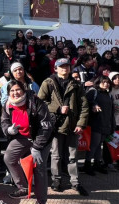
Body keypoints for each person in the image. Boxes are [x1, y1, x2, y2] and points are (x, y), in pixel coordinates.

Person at [0, 80, 55, 204]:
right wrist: (9, 130)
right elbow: (4, 121)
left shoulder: (36, 102)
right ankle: (23, 188)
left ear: (23, 90)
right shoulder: (7, 104)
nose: (15, 93)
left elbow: (46, 127)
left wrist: (37, 147)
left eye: (18, 89)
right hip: (22, 137)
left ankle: (41, 202)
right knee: (9, 158)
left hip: (40, 138)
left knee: (39, 167)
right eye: (11, 91)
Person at [38, 58, 89, 195]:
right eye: (61, 66)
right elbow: (40, 103)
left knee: (73, 156)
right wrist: (58, 108)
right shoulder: (48, 83)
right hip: (56, 125)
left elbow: (84, 106)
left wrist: (81, 124)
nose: (64, 68)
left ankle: (75, 182)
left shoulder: (76, 85)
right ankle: (56, 180)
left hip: (73, 126)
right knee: (56, 155)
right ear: (55, 68)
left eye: (67, 66)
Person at [84, 75, 116, 175]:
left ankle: (97, 163)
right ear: (98, 82)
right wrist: (94, 105)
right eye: (104, 82)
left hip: (106, 123)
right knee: (94, 144)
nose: (106, 84)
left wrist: (112, 125)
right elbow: (86, 102)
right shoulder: (93, 91)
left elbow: (111, 111)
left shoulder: (109, 94)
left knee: (99, 145)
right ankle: (87, 164)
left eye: (108, 82)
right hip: (95, 123)